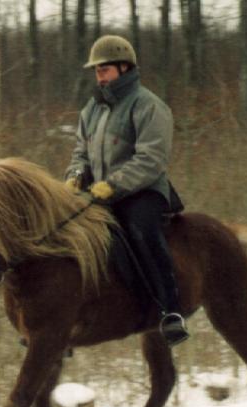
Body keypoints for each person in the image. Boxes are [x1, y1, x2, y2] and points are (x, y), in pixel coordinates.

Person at [65, 34, 189, 347]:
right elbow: (81, 152)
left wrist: (114, 185)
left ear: (124, 67)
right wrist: (75, 176)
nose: (99, 75)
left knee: (141, 230)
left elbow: (152, 159)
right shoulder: (91, 109)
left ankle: (170, 310)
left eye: (104, 69)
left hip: (142, 191)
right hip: (99, 192)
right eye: (96, 71)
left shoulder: (149, 105)